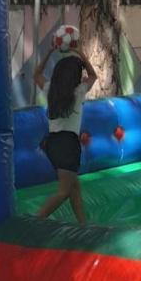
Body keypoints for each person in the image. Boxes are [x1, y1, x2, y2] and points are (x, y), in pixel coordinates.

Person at [34, 46, 97, 225]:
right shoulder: (78, 92)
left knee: (74, 188)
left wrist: (49, 51)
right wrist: (81, 54)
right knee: (64, 191)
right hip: (67, 144)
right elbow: (93, 76)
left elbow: (36, 74)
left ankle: (83, 225)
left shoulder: (50, 90)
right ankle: (35, 222)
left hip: (52, 144)